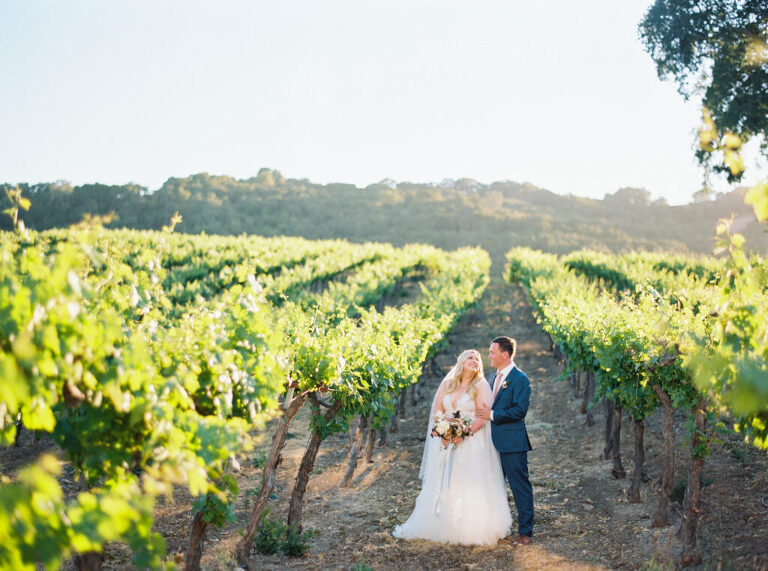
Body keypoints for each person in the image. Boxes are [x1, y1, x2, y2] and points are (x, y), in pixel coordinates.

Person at [392, 349, 512, 545]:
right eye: (470, 357)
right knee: (445, 479)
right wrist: (444, 431)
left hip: (473, 441)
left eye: (478, 359)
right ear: (461, 361)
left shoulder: (480, 385)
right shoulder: (447, 384)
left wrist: (464, 434)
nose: (474, 360)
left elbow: (483, 415)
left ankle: (470, 525)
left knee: (469, 479)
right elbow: (438, 410)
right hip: (446, 440)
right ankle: (444, 521)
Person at [476, 336, 534, 545]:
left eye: (492, 352)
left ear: (505, 354)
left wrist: (490, 415)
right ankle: (496, 527)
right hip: (490, 443)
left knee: (519, 488)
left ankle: (526, 532)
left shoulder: (520, 379)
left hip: (512, 443)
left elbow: (520, 411)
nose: (489, 356)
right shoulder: (491, 378)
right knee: (493, 486)